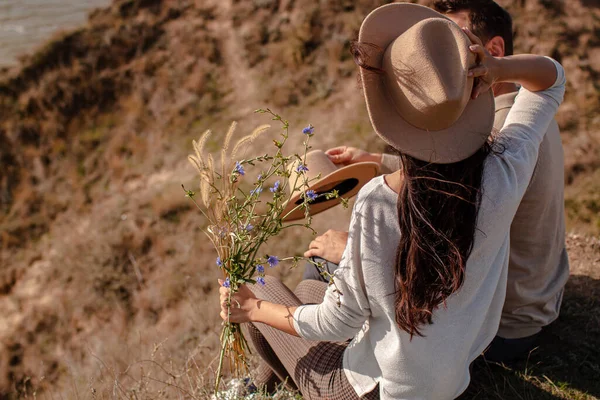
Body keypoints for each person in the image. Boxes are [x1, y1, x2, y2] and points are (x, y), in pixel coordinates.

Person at [219, 2, 565, 399]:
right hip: (452, 377)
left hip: (378, 391)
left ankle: (265, 387)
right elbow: (552, 79)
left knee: (266, 288)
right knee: (310, 289)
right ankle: (262, 389)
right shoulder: (506, 169)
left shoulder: (377, 202)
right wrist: (499, 69)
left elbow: (337, 322)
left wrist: (251, 309)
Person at [304, 0, 570, 364]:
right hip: (538, 301)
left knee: (320, 262)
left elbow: (442, 247)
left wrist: (352, 253)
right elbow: (460, 176)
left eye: (453, 42)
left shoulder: (496, 137)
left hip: (499, 327)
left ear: (491, 50)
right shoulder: (524, 115)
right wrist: (376, 160)